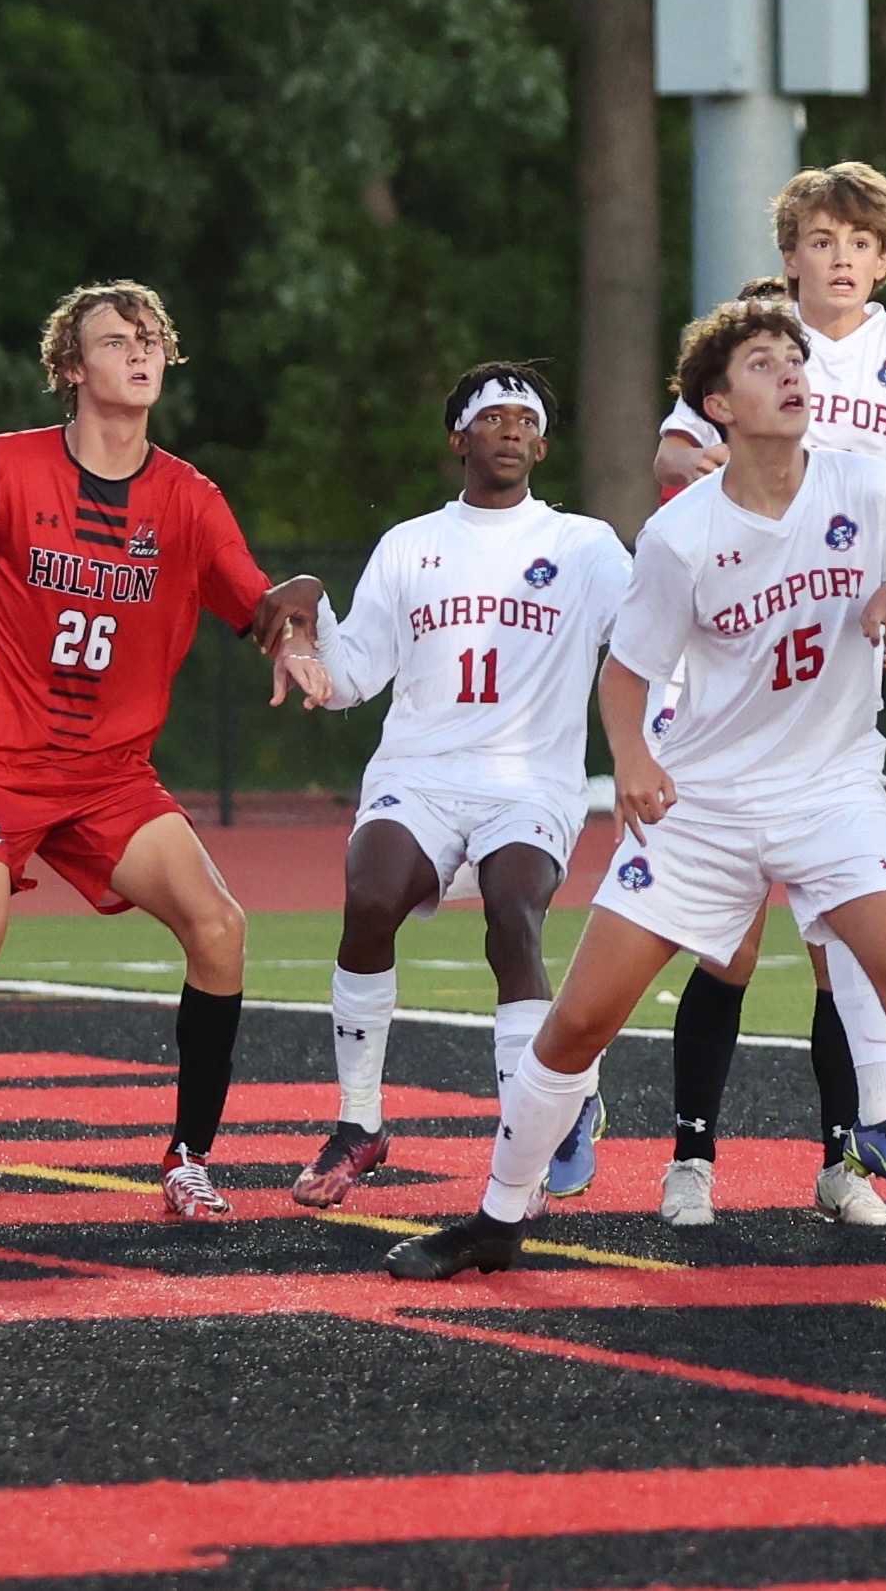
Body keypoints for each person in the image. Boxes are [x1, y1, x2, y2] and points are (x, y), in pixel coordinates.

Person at [386, 297, 886, 1295]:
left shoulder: (867, 486)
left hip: (832, 789)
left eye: (796, 357)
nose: (792, 372)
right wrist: (629, 757)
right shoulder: (680, 534)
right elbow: (625, 676)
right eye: (763, 361)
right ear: (717, 402)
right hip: (701, 804)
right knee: (576, 1024)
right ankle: (497, 1216)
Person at [0, 282, 324, 1225]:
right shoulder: (5, 467)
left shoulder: (190, 498)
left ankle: (188, 1156)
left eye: (151, 338)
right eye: (116, 341)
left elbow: (258, 605)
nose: (141, 352)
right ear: (71, 369)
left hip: (109, 773)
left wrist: (300, 629)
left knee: (221, 928)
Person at [651, 164, 886, 1229]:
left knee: (841, 944)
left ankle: (845, 1161)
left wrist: (875, 564)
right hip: (736, 670)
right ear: (789, 252)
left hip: (838, 668)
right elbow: (675, 448)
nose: (840, 255)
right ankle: (691, 1157)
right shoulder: (758, 333)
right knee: (726, 939)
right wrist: (758, 515)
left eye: (860, 241)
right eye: (820, 237)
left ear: (885, 256)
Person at [274, 364, 629, 1209]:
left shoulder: (584, 545)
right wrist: (309, 615)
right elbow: (353, 673)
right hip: (420, 774)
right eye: (490, 416)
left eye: (525, 419)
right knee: (370, 894)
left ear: (541, 444)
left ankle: (527, 1146)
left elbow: (648, 644)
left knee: (513, 912)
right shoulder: (408, 543)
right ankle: (360, 1124)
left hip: (531, 780)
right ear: (457, 438)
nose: (509, 429)